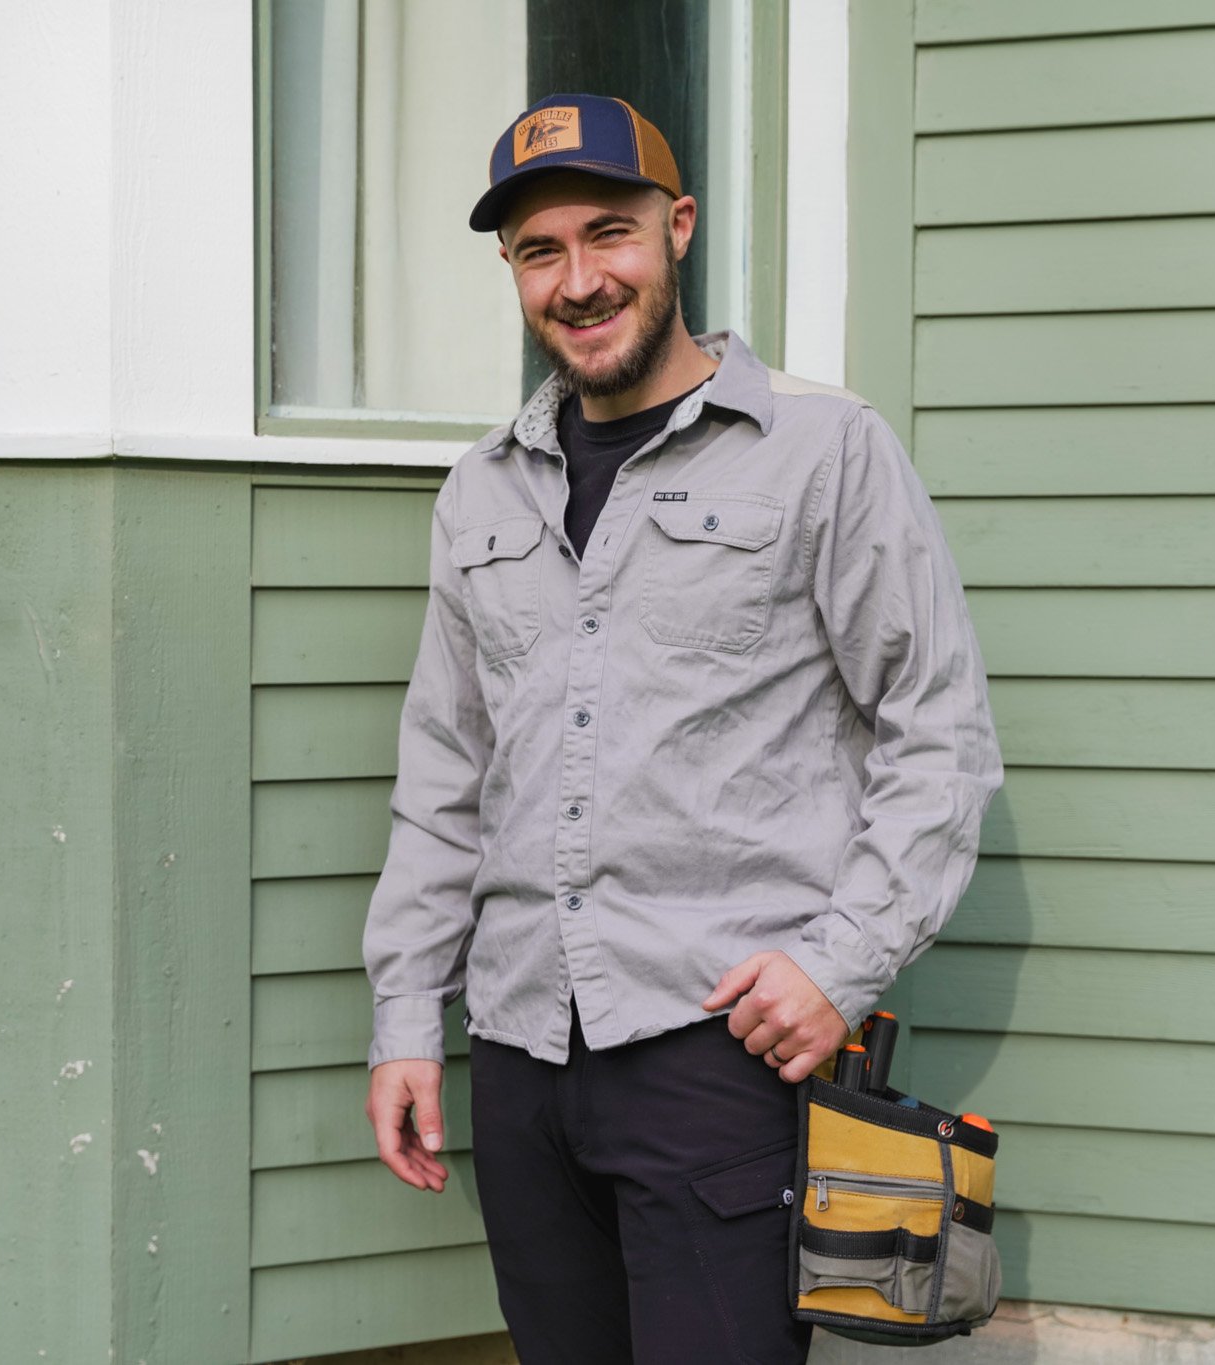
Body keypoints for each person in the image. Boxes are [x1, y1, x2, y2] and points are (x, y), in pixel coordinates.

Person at [360, 93, 1002, 1364]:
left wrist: (838, 964)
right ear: (513, 270)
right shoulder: (480, 491)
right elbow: (446, 775)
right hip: (521, 1053)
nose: (581, 279)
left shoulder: (822, 450)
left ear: (679, 229)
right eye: (541, 252)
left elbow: (936, 733)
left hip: (716, 1056)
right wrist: (402, 1025)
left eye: (611, 234)